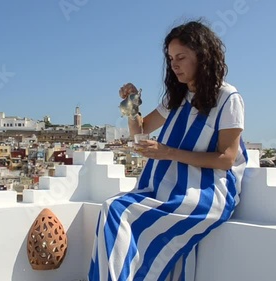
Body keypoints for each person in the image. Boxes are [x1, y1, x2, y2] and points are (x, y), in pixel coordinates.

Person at [88, 19, 248, 281]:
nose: (174, 64)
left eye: (181, 57)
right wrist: (130, 105)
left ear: (202, 56)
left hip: (206, 192)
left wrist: (167, 152)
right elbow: (139, 132)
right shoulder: (177, 98)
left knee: (116, 210)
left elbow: (226, 159)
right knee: (113, 209)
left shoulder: (228, 98)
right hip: (167, 185)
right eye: (171, 58)